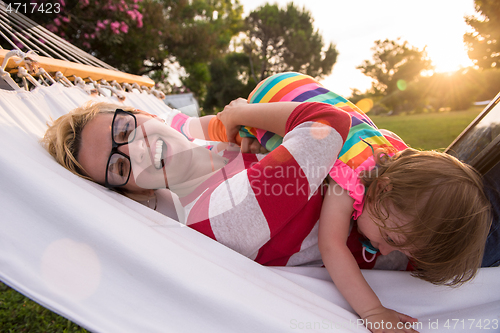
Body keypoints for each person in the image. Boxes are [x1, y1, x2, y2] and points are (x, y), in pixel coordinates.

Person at [42, 74, 491, 333]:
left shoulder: (195, 141)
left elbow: (186, 125)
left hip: (428, 219)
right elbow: (328, 122)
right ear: (130, 191)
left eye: (125, 130)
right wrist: (240, 114)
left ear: (142, 114)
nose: (138, 149)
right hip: (428, 253)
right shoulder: (221, 213)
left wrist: (220, 123)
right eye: (120, 168)